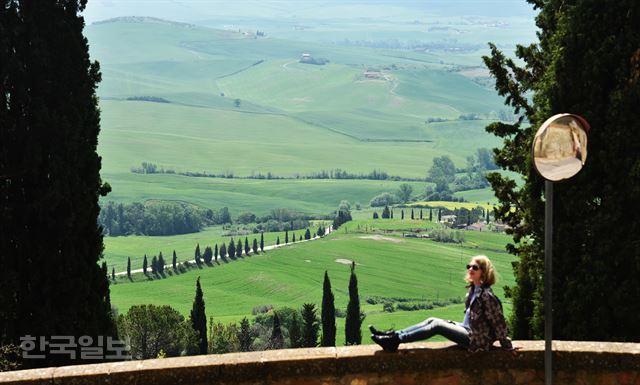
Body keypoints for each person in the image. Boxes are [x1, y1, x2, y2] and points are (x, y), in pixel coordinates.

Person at [369, 255, 514, 352]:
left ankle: (396, 341)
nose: (470, 269)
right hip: (467, 329)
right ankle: (393, 336)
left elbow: (498, 321)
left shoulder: (487, 296)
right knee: (432, 319)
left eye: (475, 268)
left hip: (477, 340)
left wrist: (506, 344)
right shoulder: (473, 291)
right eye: (469, 266)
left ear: (484, 272)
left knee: (437, 326)